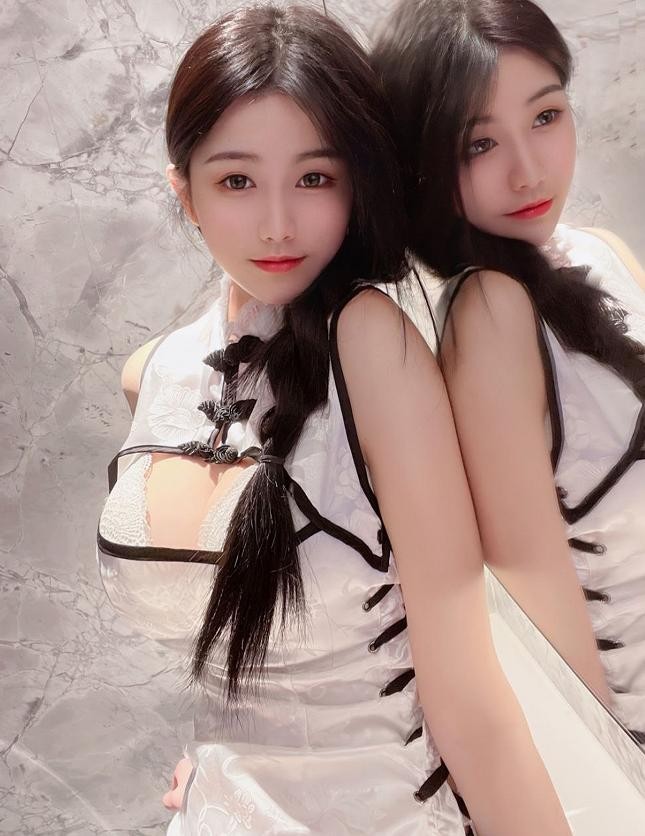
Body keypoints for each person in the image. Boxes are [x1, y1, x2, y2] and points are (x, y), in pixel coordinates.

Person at [97, 5, 571, 834]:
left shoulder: (372, 345)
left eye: (314, 178)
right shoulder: (153, 375)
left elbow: (470, 703)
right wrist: (223, 772)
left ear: (356, 184)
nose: (277, 223)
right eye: (237, 181)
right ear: (185, 192)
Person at [372, 0, 645, 744]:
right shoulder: (490, 317)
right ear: (424, 161)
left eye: (545, 116)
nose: (528, 172)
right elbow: (541, 614)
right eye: (479, 144)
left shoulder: (600, 253)